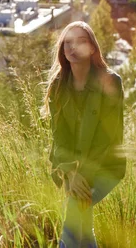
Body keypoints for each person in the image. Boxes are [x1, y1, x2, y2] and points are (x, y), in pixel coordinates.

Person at [44, 21, 126, 248]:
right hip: (70, 168)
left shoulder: (110, 82)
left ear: (92, 48)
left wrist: (81, 175)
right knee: (83, 230)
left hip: (105, 166)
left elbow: (108, 138)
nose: (73, 47)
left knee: (75, 206)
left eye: (81, 41)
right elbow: (59, 138)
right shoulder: (58, 86)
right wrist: (71, 172)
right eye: (68, 42)